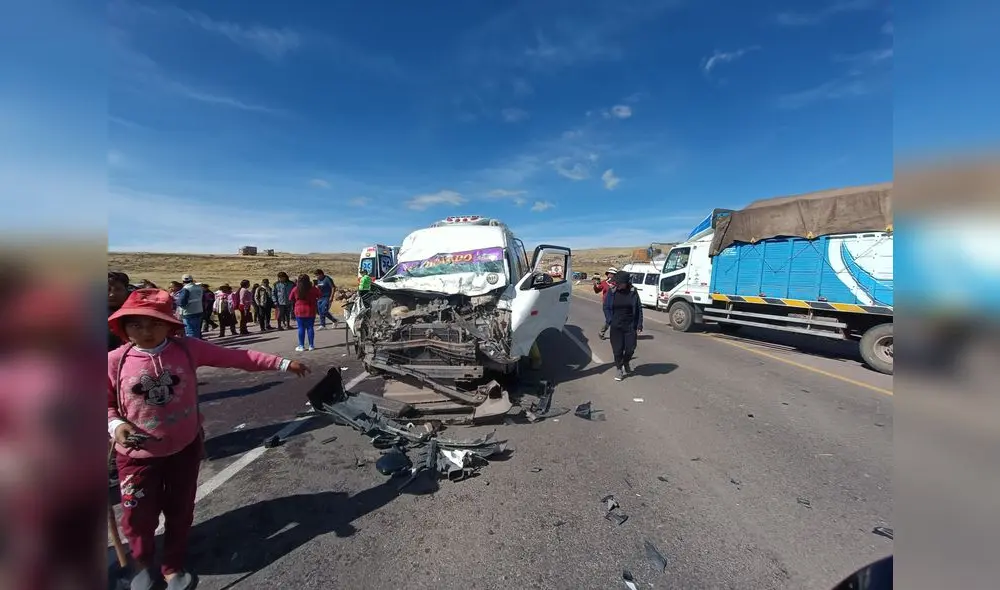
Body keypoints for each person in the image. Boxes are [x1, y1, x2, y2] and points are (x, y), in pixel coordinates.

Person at [108, 289, 309, 590]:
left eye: (154, 323)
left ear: (169, 324)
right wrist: (116, 426)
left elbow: (238, 357)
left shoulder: (187, 349)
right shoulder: (114, 361)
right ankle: (141, 564)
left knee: (180, 511)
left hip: (184, 450)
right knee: (137, 516)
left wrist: (281, 363)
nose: (146, 331)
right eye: (136, 324)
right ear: (123, 327)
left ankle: (172, 566)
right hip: (137, 458)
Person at [602, 270, 643, 381]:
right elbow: (606, 307)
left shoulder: (633, 292)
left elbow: (638, 308)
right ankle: (619, 369)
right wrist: (610, 320)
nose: (617, 284)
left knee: (630, 348)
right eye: (616, 283)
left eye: (619, 283)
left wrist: (639, 324)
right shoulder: (612, 291)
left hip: (630, 325)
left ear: (625, 283)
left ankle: (626, 362)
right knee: (617, 350)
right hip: (616, 325)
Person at [289, 273, 321, 352]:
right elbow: (320, 295)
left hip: (299, 310)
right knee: (310, 327)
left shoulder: (296, 289)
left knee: (301, 328)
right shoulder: (313, 288)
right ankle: (311, 345)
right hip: (310, 309)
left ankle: (301, 345)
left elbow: (290, 298)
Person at [175, 274, 205, 339]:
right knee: (197, 330)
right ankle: (197, 343)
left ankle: (192, 344)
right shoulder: (199, 288)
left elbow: (181, 302)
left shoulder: (186, 289)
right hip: (199, 311)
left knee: (190, 331)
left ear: (183, 281)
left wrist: (175, 301)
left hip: (188, 312)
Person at [593, 267, 618, 340]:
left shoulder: (617, 283)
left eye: (612, 274)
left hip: (615, 304)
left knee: (614, 320)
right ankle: (603, 332)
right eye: (609, 273)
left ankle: (603, 333)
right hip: (606, 305)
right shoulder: (604, 282)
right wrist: (595, 285)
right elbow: (597, 291)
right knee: (609, 319)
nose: (610, 275)